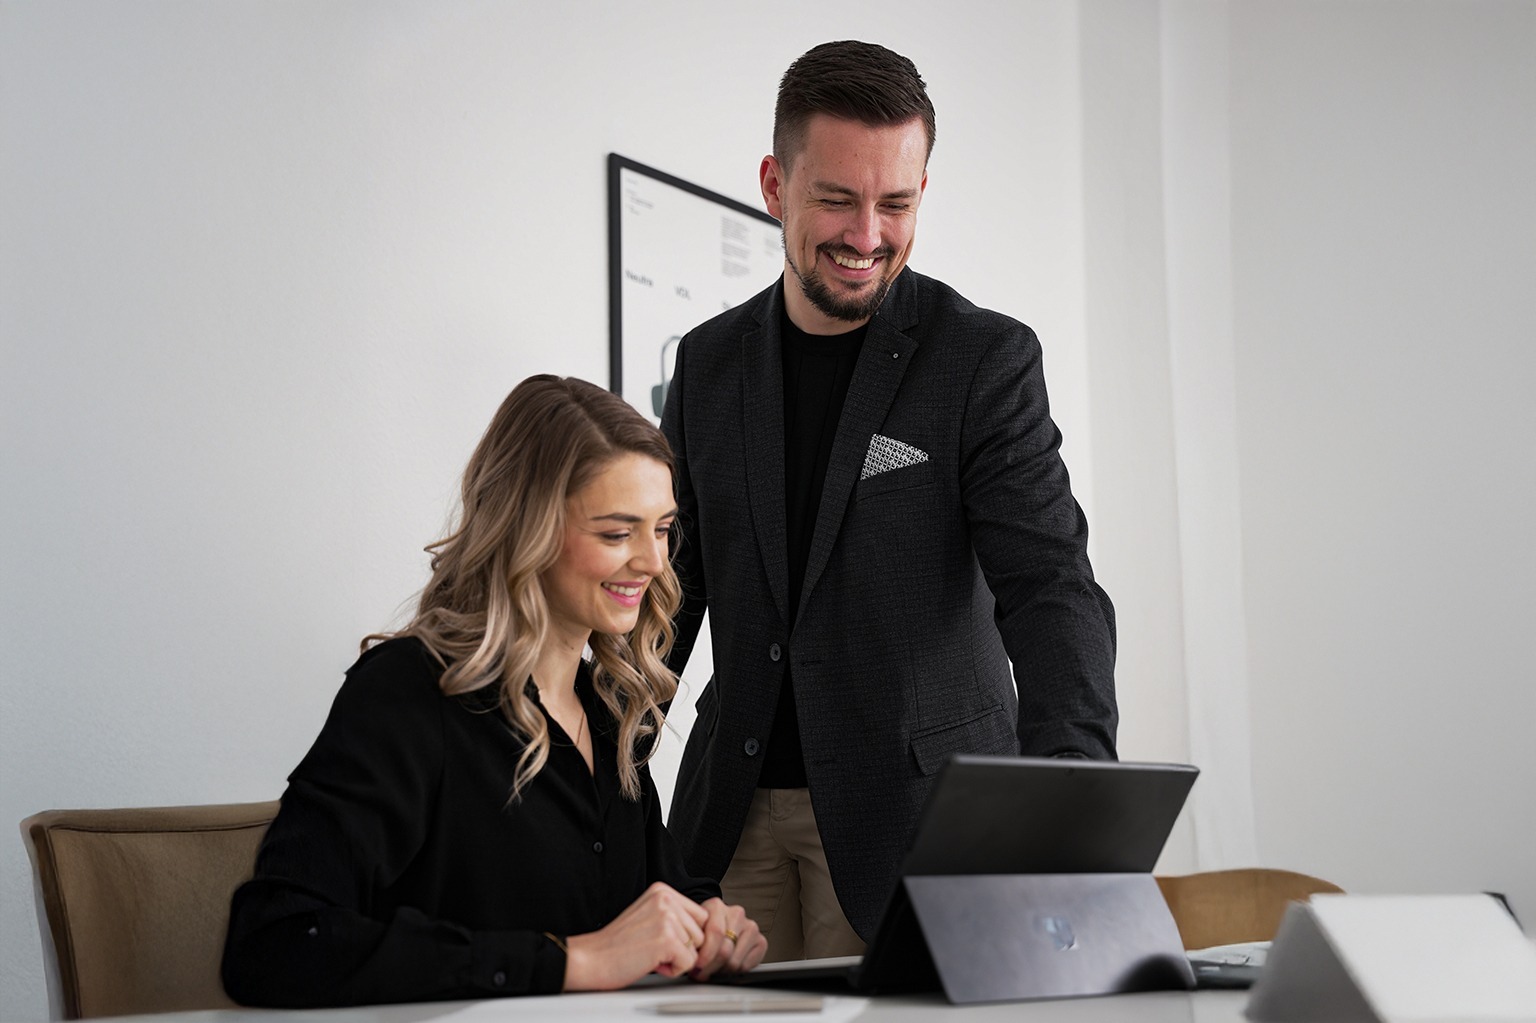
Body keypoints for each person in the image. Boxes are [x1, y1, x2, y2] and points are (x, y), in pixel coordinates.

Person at [660, 40, 1118, 961]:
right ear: (774, 185)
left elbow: (1049, 585)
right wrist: (593, 769)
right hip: (727, 824)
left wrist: (1069, 796)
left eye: (896, 204)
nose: (867, 236)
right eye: (837, 198)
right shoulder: (706, 365)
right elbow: (671, 593)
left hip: (907, 822)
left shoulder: (982, 360)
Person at [222, 375, 767, 1007]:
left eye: (663, 529)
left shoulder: (606, 711)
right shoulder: (408, 693)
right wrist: (572, 961)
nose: (653, 562)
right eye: (617, 533)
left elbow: (662, 889)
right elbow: (275, 942)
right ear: (527, 530)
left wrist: (711, 925)